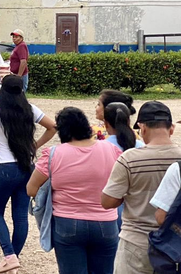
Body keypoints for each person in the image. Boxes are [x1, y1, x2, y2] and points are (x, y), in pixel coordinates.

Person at [26, 107, 121, 274]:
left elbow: (31, 189)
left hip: (67, 222)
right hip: (106, 222)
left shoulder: (53, 154)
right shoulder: (111, 150)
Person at [0, 75, 57, 273]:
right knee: (20, 216)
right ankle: (14, 257)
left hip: (4, 168)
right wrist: (35, 145)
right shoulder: (30, 109)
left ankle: (9, 255)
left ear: (2, 91)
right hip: (26, 167)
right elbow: (53, 127)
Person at [102, 101, 181, 274]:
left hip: (136, 242)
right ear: (172, 129)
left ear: (142, 128)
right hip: (174, 244)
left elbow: (107, 202)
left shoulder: (129, 159)